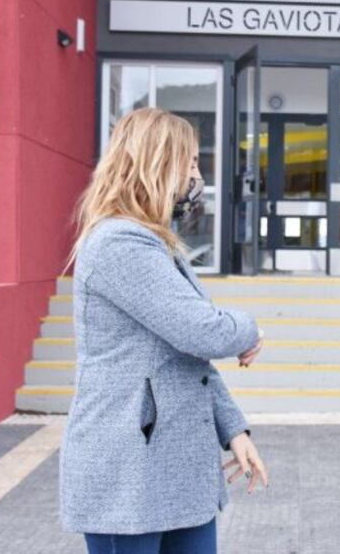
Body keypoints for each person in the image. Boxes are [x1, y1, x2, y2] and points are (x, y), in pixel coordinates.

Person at [60, 108, 268, 554]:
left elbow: (187, 358)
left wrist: (234, 429)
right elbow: (201, 332)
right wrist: (248, 328)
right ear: (156, 164)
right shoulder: (119, 243)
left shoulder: (155, 245)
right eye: (190, 163)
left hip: (174, 472)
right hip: (128, 476)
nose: (197, 175)